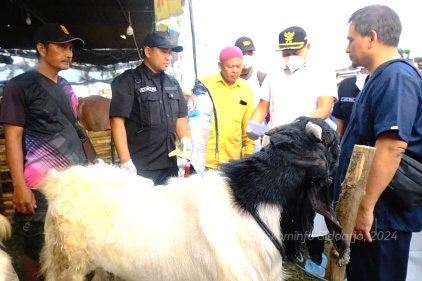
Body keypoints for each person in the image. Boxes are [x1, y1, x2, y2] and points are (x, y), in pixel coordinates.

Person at [332, 5, 422, 281]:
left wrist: (364, 208)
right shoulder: (379, 76)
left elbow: (392, 145)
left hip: (380, 217)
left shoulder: (397, 77)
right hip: (370, 216)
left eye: (351, 40)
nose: (347, 48)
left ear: (371, 37)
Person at [248, 26, 337, 278]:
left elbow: (324, 108)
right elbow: (262, 108)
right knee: (278, 201)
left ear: (308, 47)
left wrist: (294, 127)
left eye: (294, 49)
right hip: (276, 148)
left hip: (309, 145)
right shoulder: (273, 75)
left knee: (313, 201)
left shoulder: (322, 72)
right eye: (285, 51)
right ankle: (285, 249)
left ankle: (316, 253)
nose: (290, 55)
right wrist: (253, 127)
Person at [0, 23, 86, 281]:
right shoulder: (19, 86)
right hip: (40, 184)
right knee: (35, 250)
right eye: (61, 46)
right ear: (41, 48)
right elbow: (13, 136)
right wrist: (19, 186)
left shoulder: (67, 87)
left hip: (73, 185)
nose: (68, 52)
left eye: (70, 47)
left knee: (71, 247)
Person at [110, 31, 190, 186]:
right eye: (163, 51)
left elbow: (180, 115)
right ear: (148, 51)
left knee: (169, 208)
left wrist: (185, 138)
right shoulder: (128, 81)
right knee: (141, 210)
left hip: (169, 164)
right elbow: (116, 122)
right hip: (141, 167)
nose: (169, 57)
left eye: (170, 52)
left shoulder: (172, 83)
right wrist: (126, 161)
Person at [200, 46, 255, 169]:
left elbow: (249, 126)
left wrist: (248, 156)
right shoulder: (204, 85)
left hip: (232, 161)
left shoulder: (246, 89)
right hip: (205, 160)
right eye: (230, 67)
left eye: (239, 66)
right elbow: (193, 120)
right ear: (220, 65)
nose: (235, 71)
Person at [235, 36, 267, 152]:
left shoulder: (262, 78)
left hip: (255, 133)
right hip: (234, 134)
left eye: (249, 53)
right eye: (242, 53)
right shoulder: (229, 78)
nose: (246, 57)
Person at [332, 66, 368, 140]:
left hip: (375, 147)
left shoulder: (384, 83)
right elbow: (339, 120)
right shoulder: (346, 84)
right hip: (348, 145)